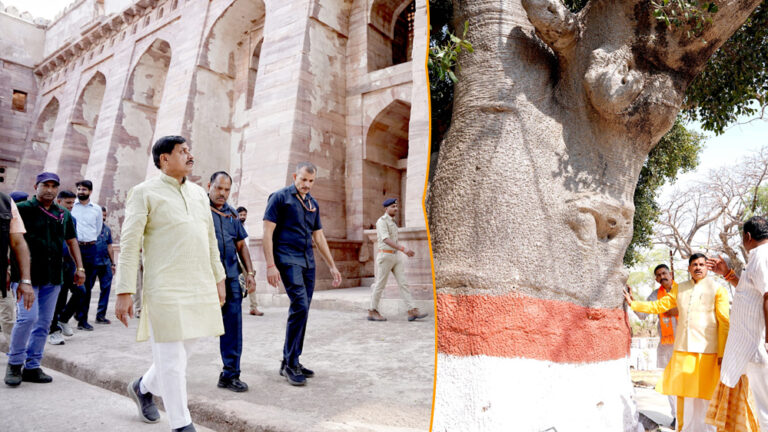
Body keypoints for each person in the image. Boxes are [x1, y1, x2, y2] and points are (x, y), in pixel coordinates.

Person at [114, 135, 226, 432]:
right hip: (163, 286)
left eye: (190, 150)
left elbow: (210, 240)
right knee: (173, 360)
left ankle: (143, 386)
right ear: (165, 158)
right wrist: (124, 290)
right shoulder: (144, 192)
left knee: (184, 350)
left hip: (199, 283)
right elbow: (129, 244)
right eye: (183, 151)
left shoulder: (200, 194)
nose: (191, 156)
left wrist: (219, 279)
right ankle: (181, 423)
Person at [625, 253, 730, 432]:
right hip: (683, 351)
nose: (698, 267)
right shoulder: (680, 289)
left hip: (709, 352)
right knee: (685, 396)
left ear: (707, 267)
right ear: (689, 269)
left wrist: (722, 353)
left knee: (707, 396)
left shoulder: (717, 289)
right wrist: (633, 304)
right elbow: (659, 306)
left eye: (701, 264)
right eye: (694, 264)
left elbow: (724, 322)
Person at [263, 161, 342, 386]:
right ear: (295, 176)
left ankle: (292, 359)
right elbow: (267, 232)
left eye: (311, 181)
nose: (307, 184)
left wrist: (332, 265)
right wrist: (270, 265)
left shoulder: (312, 203)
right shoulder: (279, 197)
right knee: (299, 304)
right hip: (287, 258)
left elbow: (318, 237)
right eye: (303, 180)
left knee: (303, 308)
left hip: (307, 261)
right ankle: (289, 364)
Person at [5, 172, 85, 387]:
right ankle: (14, 364)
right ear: (35, 186)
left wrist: (79, 267)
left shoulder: (63, 214)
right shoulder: (21, 210)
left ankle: (32, 366)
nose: (49, 189)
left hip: (53, 277)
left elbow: (72, 240)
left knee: (43, 324)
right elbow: (10, 241)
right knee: (27, 319)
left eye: (53, 186)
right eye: (45, 185)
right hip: (26, 277)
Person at [709, 216, 768, 431]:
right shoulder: (757, 256)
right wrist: (726, 273)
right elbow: (749, 291)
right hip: (747, 349)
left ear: (748, 236)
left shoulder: (763, 256)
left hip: (757, 348)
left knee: (764, 409)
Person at [208, 172, 256, 392]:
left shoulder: (233, 214)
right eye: (219, 188)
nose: (222, 194)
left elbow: (241, 245)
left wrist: (250, 273)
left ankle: (230, 374)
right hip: (205, 279)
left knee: (233, 328)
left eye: (227, 190)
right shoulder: (199, 210)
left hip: (231, 278)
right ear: (210, 186)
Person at [630, 264, 679, 428]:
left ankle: (690, 417)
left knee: (688, 381)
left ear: (670, 273)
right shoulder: (655, 295)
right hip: (666, 346)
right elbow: (642, 315)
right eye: (659, 275)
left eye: (665, 273)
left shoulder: (684, 290)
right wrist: (632, 300)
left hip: (686, 343)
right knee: (670, 383)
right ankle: (677, 417)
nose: (662, 276)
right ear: (656, 279)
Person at [368, 198, 427, 322]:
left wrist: (400, 250)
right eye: (393, 206)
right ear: (386, 209)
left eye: (396, 206)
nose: (396, 208)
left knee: (403, 283)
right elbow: (385, 239)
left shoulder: (393, 222)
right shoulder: (381, 221)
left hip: (395, 257)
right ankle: (372, 310)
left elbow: (393, 240)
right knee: (380, 284)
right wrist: (403, 249)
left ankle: (412, 310)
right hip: (385, 256)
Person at [49, 190, 83, 344]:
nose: (71, 206)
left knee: (81, 291)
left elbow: (72, 242)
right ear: (58, 201)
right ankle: (53, 331)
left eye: (72, 203)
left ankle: (63, 319)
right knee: (59, 298)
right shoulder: (49, 216)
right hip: (54, 265)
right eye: (68, 203)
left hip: (69, 263)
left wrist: (79, 267)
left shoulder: (72, 219)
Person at [0, 191, 34, 343]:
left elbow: (18, 243)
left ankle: (15, 358)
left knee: (8, 317)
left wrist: (25, 281)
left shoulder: (6, 202)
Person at [69, 180, 103, 329]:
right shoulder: (71, 207)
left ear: (90, 191)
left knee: (87, 285)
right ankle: (62, 317)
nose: (81, 191)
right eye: (79, 189)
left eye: (84, 189)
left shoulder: (96, 209)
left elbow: (98, 229)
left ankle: (82, 319)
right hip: (72, 248)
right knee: (70, 283)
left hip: (89, 248)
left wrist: (88, 241)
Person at [90, 206, 115, 324]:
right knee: (85, 290)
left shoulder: (107, 230)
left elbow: (110, 247)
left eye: (105, 215)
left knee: (106, 289)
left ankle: (100, 315)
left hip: (105, 263)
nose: (103, 218)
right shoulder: (88, 228)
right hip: (91, 263)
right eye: (101, 215)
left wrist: (112, 263)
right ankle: (79, 314)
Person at [238, 206, 263, 316]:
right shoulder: (234, 226)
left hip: (245, 260)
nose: (243, 217)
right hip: (235, 260)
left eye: (244, 215)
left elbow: (246, 246)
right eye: (241, 215)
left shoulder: (246, 227)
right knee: (237, 285)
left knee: (251, 282)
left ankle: (253, 307)